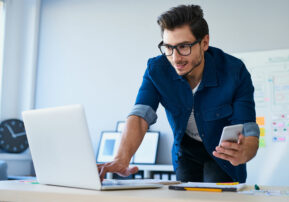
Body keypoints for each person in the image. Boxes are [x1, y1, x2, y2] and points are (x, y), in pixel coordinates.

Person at [98, 4, 259, 183]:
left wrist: (248, 150)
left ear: (204, 43)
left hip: (222, 153)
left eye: (183, 47)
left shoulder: (234, 71)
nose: (175, 58)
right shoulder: (156, 70)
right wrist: (121, 158)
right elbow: (140, 115)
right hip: (186, 151)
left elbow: (248, 127)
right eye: (168, 47)